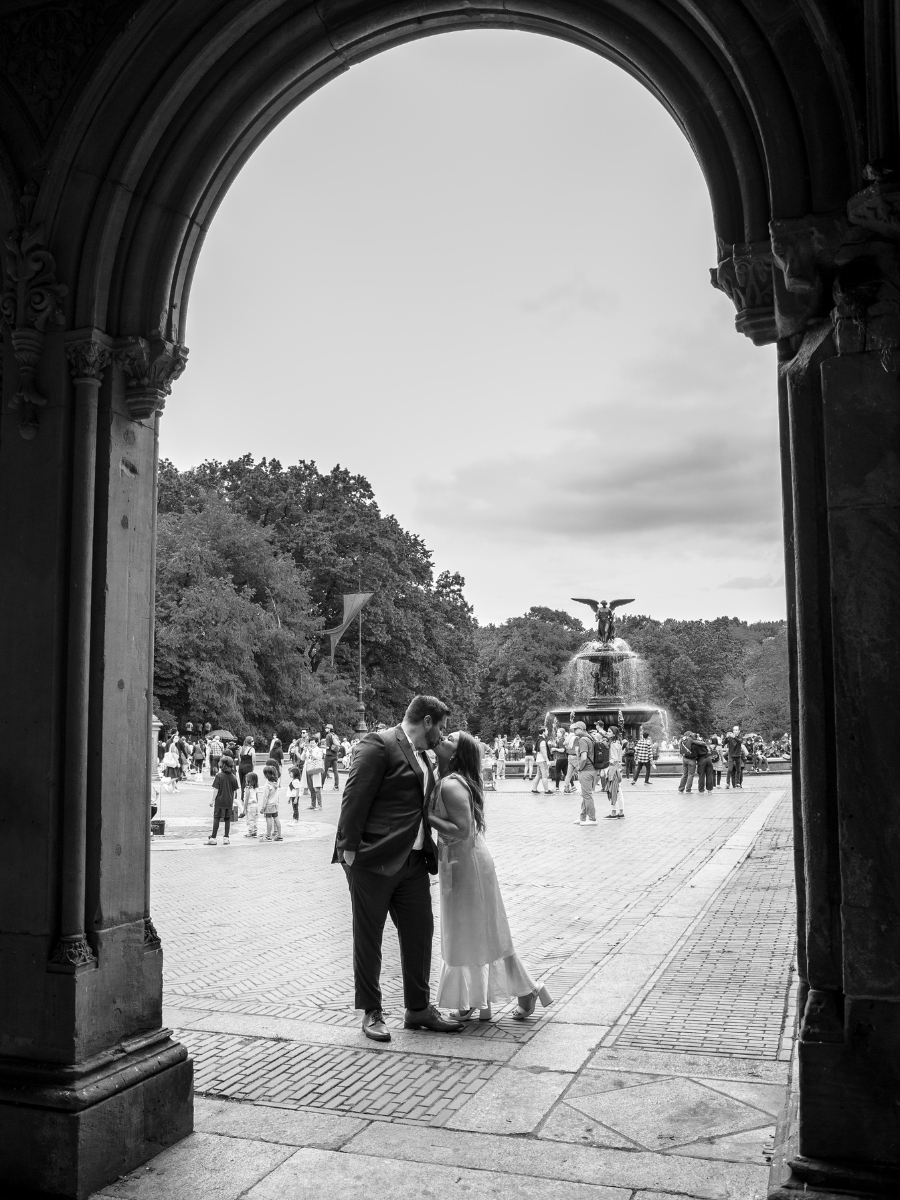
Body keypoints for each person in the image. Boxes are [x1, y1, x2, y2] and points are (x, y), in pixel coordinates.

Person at [332, 694, 464, 1043]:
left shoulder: (425, 756)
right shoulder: (379, 744)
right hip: (374, 860)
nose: (442, 735)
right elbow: (354, 798)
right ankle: (371, 1011)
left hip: (415, 862)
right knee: (369, 938)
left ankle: (418, 1009)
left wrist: (446, 761)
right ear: (426, 721)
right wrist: (348, 853)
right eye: (442, 728)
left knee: (421, 933)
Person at [428, 730, 552, 1022]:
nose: (442, 739)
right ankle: (520, 991)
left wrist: (424, 815)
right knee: (481, 932)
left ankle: (485, 997)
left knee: (469, 932)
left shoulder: (450, 784)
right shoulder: (447, 778)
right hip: (463, 862)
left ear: (456, 755)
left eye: (450, 739)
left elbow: (461, 829)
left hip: (466, 864)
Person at [206, 754, 238, 846]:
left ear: (222, 765)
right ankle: (226, 838)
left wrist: (212, 800)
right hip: (229, 801)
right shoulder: (233, 777)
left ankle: (213, 838)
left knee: (216, 818)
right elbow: (234, 791)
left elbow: (216, 789)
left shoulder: (219, 776)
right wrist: (232, 802)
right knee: (227, 819)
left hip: (220, 801)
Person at [573, 722, 598, 826]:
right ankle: (582, 816)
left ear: (581, 729)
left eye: (575, 729)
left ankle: (592, 818)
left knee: (587, 795)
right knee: (585, 794)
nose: (573, 731)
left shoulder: (583, 740)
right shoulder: (590, 738)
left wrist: (579, 768)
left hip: (586, 770)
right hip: (593, 770)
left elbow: (583, 758)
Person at [259, 764, 282, 840]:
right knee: (276, 818)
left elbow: (265, 798)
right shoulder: (276, 783)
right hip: (275, 804)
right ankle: (279, 835)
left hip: (268, 805)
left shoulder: (267, 786)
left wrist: (263, 807)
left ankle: (268, 836)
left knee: (269, 819)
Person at [605, 728, 624, 818]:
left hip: (613, 768)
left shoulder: (612, 744)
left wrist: (607, 761)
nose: (607, 733)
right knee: (618, 790)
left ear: (614, 734)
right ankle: (620, 812)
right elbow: (619, 758)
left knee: (613, 790)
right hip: (618, 768)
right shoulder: (618, 743)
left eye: (609, 732)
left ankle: (614, 813)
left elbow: (614, 759)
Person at [305, 735, 325, 809]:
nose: (311, 744)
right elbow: (303, 758)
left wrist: (311, 752)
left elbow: (318, 757)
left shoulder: (319, 750)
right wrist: (304, 751)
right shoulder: (308, 749)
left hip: (316, 770)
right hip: (309, 769)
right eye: (310, 743)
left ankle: (319, 805)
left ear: (316, 743)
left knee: (317, 788)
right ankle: (313, 804)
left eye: (313, 743)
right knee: (311, 788)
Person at [530, 729, 553, 795]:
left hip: (539, 760)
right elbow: (543, 752)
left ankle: (534, 789)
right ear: (543, 732)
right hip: (542, 760)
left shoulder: (538, 740)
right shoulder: (542, 741)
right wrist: (547, 760)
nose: (547, 732)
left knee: (538, 775)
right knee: (544, 775)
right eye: (546, 731)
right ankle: (546, 790)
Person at [323, 724, 342, 789]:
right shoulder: (335, 735)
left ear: (329, 729)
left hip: (329, 755)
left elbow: (328, 746)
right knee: (335, 771)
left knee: (325, 770)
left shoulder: (328, 735)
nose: (325, 729)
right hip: (335, 755)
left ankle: (321, 785)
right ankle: (336, 786)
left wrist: (322, 747)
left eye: (327, 728)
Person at [243, 771, 260, 838]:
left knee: (250, 819)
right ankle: (255, 831)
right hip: (255, 805)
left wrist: (244, 807)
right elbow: (257, 797)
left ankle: (250, 832)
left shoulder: (247, 788)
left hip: (250, 805)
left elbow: (246, 799)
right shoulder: (256, 788)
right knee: (255, 818)